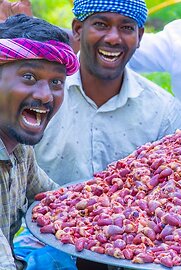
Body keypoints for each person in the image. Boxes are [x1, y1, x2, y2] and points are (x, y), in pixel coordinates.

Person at [33, 0, 181, 185]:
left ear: (139, 36)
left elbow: (176, 187)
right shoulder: (40, 98)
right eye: (101, 25)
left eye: (126, 27)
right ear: (77, 29)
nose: (113, 38)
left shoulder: (163, 113)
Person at [0, 14, 79, 270]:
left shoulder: (20, 149)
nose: (46, 96)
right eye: (29, 78)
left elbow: (59, 202)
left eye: (56, 82)